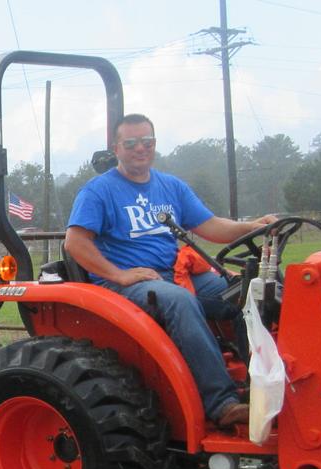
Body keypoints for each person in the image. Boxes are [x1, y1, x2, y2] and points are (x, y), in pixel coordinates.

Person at [64, 113, 276, 428]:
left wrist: (255, 226)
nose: (140, 148)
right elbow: (75, 242)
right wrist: (120, 275)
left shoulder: (170, 187)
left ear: (154, 144)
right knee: (179, 301)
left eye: (147, 142)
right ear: (116, 147)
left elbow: (212, 226)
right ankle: (222, 403)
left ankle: (264, 385)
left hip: (172, 274)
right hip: (126, 284)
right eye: (131, 143)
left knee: (249, 292)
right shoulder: (99, 191)